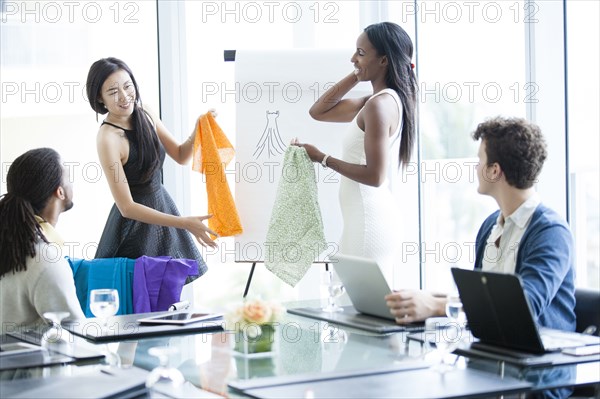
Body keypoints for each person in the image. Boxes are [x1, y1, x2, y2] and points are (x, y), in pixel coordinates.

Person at [386, 117, 576, 333]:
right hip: (493, 351)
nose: (476, 168)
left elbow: (525, 307)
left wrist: (439, 306)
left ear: (494, 170)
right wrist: (423, 299)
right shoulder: (490, 226)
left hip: (540, 362)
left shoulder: (551, 232)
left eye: (479, 161)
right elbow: (481, 301)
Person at [292, 22, 418, 283]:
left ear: (383, 60)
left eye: (360, 52)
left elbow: (375, 176)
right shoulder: (374, 101)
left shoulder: (379, 106)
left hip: (368, 220)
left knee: (351, 307)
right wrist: (358, 72)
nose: (353, 58)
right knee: (351, 307)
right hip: (362, 219)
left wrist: (322, 158)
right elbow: (318, 111)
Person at [85, 57, 217, 278]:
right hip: (132, 228)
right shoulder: (107, 138)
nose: (125, 96)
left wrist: (198, 128)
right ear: (100, 98)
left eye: (128, 86)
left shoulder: (145, 112)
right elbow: (126, 207)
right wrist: (184, 223)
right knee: (140, 299)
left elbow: (181, 154)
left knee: (166, 293)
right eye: (113, 91)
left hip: (162, 208)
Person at [0, 148, 85, 333]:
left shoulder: (10, 246)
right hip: (35, 360)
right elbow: (75, 331)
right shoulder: (44, 259)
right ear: (60, 192)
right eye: (68, 176)